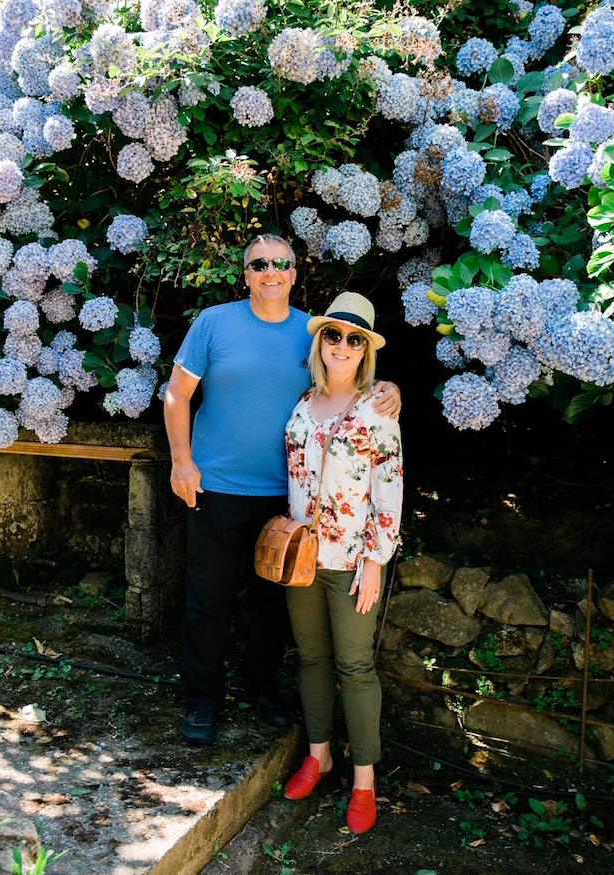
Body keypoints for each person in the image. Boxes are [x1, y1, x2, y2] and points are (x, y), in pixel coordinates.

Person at [163, 235, 401, 745]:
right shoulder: (214, 323)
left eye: (281, 264)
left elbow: (349, 374)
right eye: (259, 264)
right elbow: (176, 394)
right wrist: (182, 461)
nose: (271, 271)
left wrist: (389, 389)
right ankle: (202, 700)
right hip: (216, 487)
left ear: (295, 274)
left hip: (287, 502)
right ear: (246, 273)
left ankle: (261, 692)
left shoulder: (313, 333)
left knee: (272, 606)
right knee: (208, 600)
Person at [282, 292, 403, 835]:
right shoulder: (303, 404)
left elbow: (390, 488)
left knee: (354, 665)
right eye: (334, 335)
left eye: (355, 339)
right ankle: (319, 754)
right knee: (310, 657)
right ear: (321, 341)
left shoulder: (378, 407)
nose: (343, 346)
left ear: (366, 350)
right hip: (303, 557)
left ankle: (363, 781)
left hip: (353, 559)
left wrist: (376, 560)